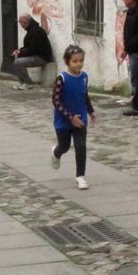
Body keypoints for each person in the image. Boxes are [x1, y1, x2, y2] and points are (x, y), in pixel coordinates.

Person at [49, 45, 96, 190]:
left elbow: (84, 95)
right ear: (67, 62)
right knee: (64, 146)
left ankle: (80, 176)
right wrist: (70, 117)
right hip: (64, 120)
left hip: (80, 117)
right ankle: (56, 152)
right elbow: (56, 100)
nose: (79, 64)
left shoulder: (84, 77)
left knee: (81, 146)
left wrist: (91, 111)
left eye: (81, 60)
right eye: (75, 61)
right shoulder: (62, 78)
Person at [11, 13, 52, 90]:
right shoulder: (31, 31)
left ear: (25, 22)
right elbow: (28, 47)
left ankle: (28, 82)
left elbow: (32, 49)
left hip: (42, 57)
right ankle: (23, 82)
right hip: (36, 55)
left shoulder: (37, 31)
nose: (21, 25)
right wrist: (19, 50)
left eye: (21, 23)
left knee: (19, 62)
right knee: (17, 60)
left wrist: (20, 54)